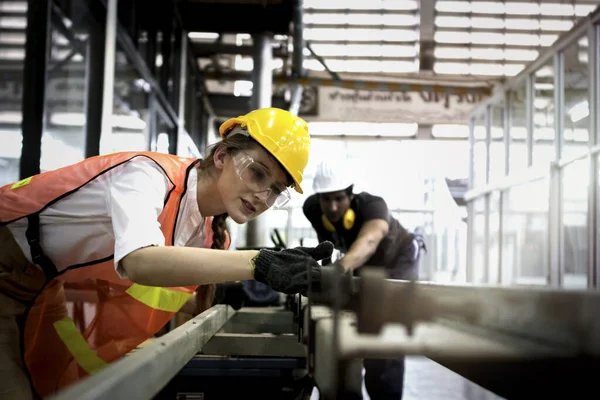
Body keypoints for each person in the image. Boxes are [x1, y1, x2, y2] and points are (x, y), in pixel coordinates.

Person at [0, 107, 334, 399]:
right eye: (257, 172)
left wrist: (225, 293)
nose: (262, 194)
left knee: (57, 384)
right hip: (6, 267)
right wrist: (256, 263)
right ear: (221, 156)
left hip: (39, 288)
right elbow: (138, 262)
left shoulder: (211, 237)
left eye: (275, 190)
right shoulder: (147, 176)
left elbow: (150, 294)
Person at [302, 158, 425, 400]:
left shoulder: (373, 206)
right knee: (356, 315)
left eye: (339, 198)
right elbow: (327, 246)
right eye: (326, 199)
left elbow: (369, 240)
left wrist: (339, 269)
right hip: (363, 262)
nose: (333, 207)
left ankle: (385, 392)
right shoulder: (312, 209)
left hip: (398, 261)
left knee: (387, 328)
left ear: (351, 196)